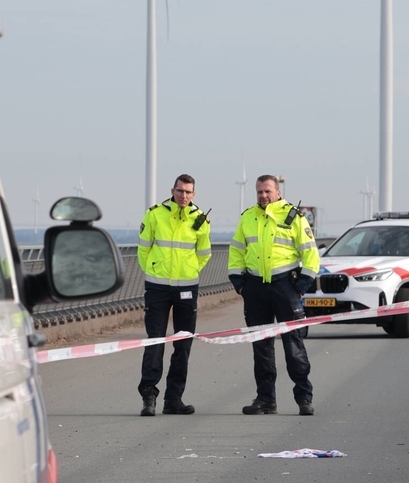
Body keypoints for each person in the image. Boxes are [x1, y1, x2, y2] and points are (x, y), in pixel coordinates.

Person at [228, 175, 320, 416]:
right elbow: (236, 252)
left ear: (278, 193)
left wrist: (300, 287)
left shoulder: (294, 217)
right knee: (261, 348)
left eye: (267, 191)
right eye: (259, 191)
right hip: (255, 288)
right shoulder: (248, 217)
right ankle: (265, 400)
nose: (263, 196)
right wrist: (240, 285)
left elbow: (311, 255)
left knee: (294, 345)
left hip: (285, 287)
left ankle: (304, 398)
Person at [136, 174, 212, 416]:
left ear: (194, 194)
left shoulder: (200, 220)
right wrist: (153, 271)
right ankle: (149, 396)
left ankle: (173, 399)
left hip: (187, 288)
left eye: (188, 192)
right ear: (172, 191)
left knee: (183, 345)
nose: (183, 195)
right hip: (157, 287)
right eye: (180, 191)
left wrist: (190, 272)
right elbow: (143, 249)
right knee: (155, 341)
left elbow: (204, 254)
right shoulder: (155, 214)